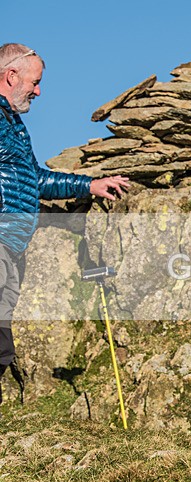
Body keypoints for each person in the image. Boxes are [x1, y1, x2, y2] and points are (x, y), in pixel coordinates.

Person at [0, 43, 129, 404]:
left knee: (2, 345)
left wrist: (89, 185)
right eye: (35, 82)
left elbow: (36, 179)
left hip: (12, 246)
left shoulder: (13, 125)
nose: (38, 91)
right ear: (11, 76)